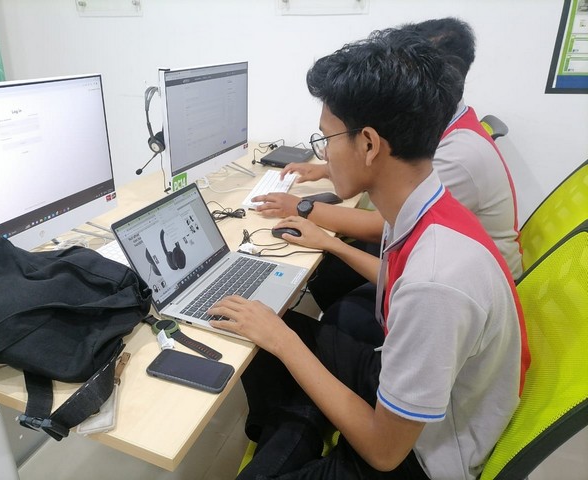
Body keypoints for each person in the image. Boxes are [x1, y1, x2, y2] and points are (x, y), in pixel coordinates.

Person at [209, 28, 530, 479]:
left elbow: (384, 453)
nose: (324, 154)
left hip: (418, 458)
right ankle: (294, 434)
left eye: (327, 138)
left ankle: (293, 440)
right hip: (403, 388)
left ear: (369, 144)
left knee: (278, 336)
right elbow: (400, 282)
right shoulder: (426, 204)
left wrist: (282, 342)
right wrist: (328, 247)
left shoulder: (437, 282)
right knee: (267, 322)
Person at [253, 18, 522, 320]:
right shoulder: (430, 149)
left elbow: (383, 233)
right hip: (429, 280)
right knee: (327, 275)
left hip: (460, 303)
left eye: (328, 139)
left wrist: (302, 209)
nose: (325, 151)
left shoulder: (458, 158)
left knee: (317, 297)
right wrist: (329, 171)